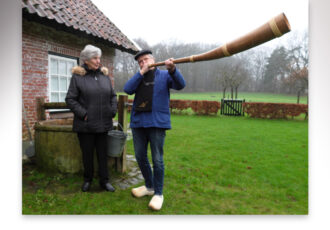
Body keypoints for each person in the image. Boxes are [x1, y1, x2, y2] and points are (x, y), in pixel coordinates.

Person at [124, 50, 186, 210]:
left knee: (157, 160)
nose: (143, 63)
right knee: (140, 156)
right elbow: (127, 89)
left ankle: (158, 193)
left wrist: (172, 69)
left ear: (153, 60)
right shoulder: (139, 77)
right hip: (138, 123)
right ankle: (149, 186)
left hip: (157, 123)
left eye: (145, 59)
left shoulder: (165, 76)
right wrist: (140, 73)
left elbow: (181, 85)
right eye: (140, 62)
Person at [66, 44, 117, 192]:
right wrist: (84, 114)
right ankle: (87, 180)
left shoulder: (104, 76)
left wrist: (112, 110)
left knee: (103, 154)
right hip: (86, 125)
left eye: (99, 58)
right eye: (95, 58)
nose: (98, 61)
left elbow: (113, 96)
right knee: (87, 155)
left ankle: (104, 181)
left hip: (104, 124)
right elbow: (70, 99)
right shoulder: (78, 77)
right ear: (86, 60)